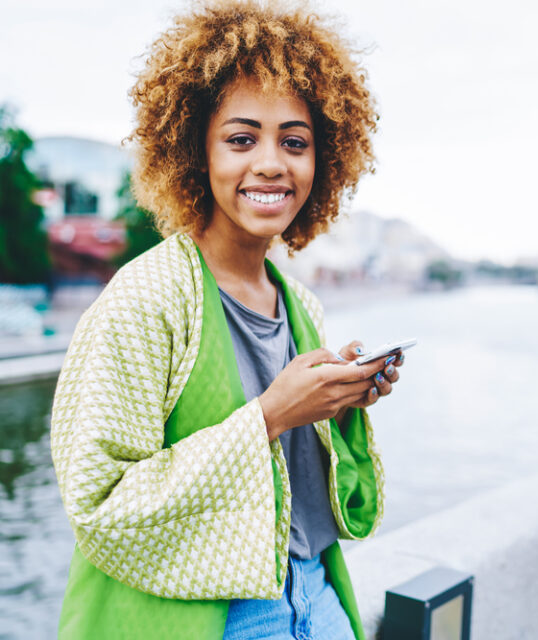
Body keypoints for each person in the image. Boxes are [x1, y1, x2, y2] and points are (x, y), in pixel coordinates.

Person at [50, 2, 398, 638]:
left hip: (317, 596)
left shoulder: (302, 304)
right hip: (211, 618)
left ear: (323, 161)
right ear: (194, 152)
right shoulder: (144, 299)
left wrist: (340, 402)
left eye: (294, 142)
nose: (271, 163)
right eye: (242, 139)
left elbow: (307, 487)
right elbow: (98, 505)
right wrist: (273, 413)